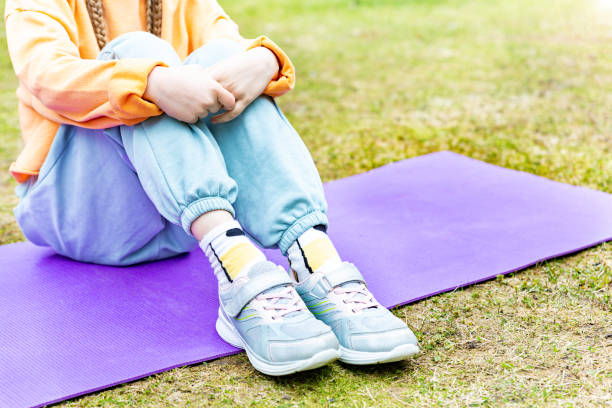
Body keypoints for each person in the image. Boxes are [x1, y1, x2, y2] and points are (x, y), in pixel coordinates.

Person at [5, 0, 419, 375]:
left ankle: (315, 261)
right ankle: (239, 273)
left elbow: (229, 46)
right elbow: (47, 76)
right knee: (137, 51)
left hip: (178, 221)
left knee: (227, 57)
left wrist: (262, 61)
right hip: (88, 215)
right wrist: (151, 84)